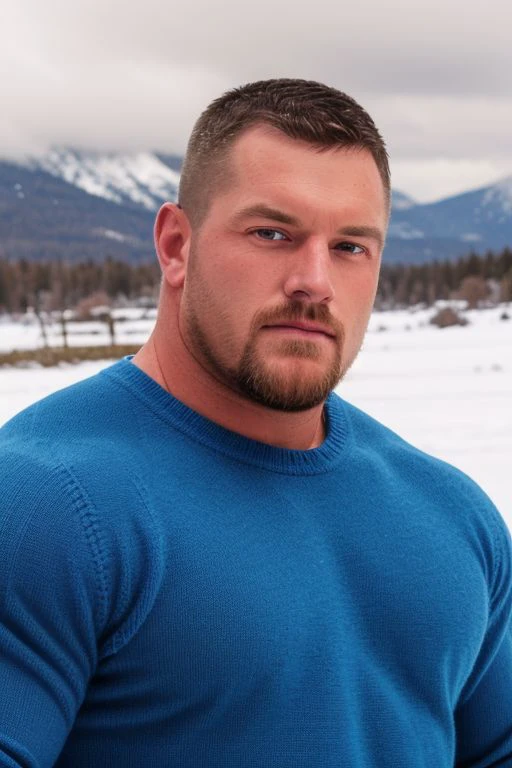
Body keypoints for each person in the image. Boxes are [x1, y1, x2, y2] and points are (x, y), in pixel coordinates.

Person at [0, 79, 511, 767]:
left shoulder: (454, 516)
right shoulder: (46, 505)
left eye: (350, 247)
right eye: (272, 233)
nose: (315, 281)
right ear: (176, 245)